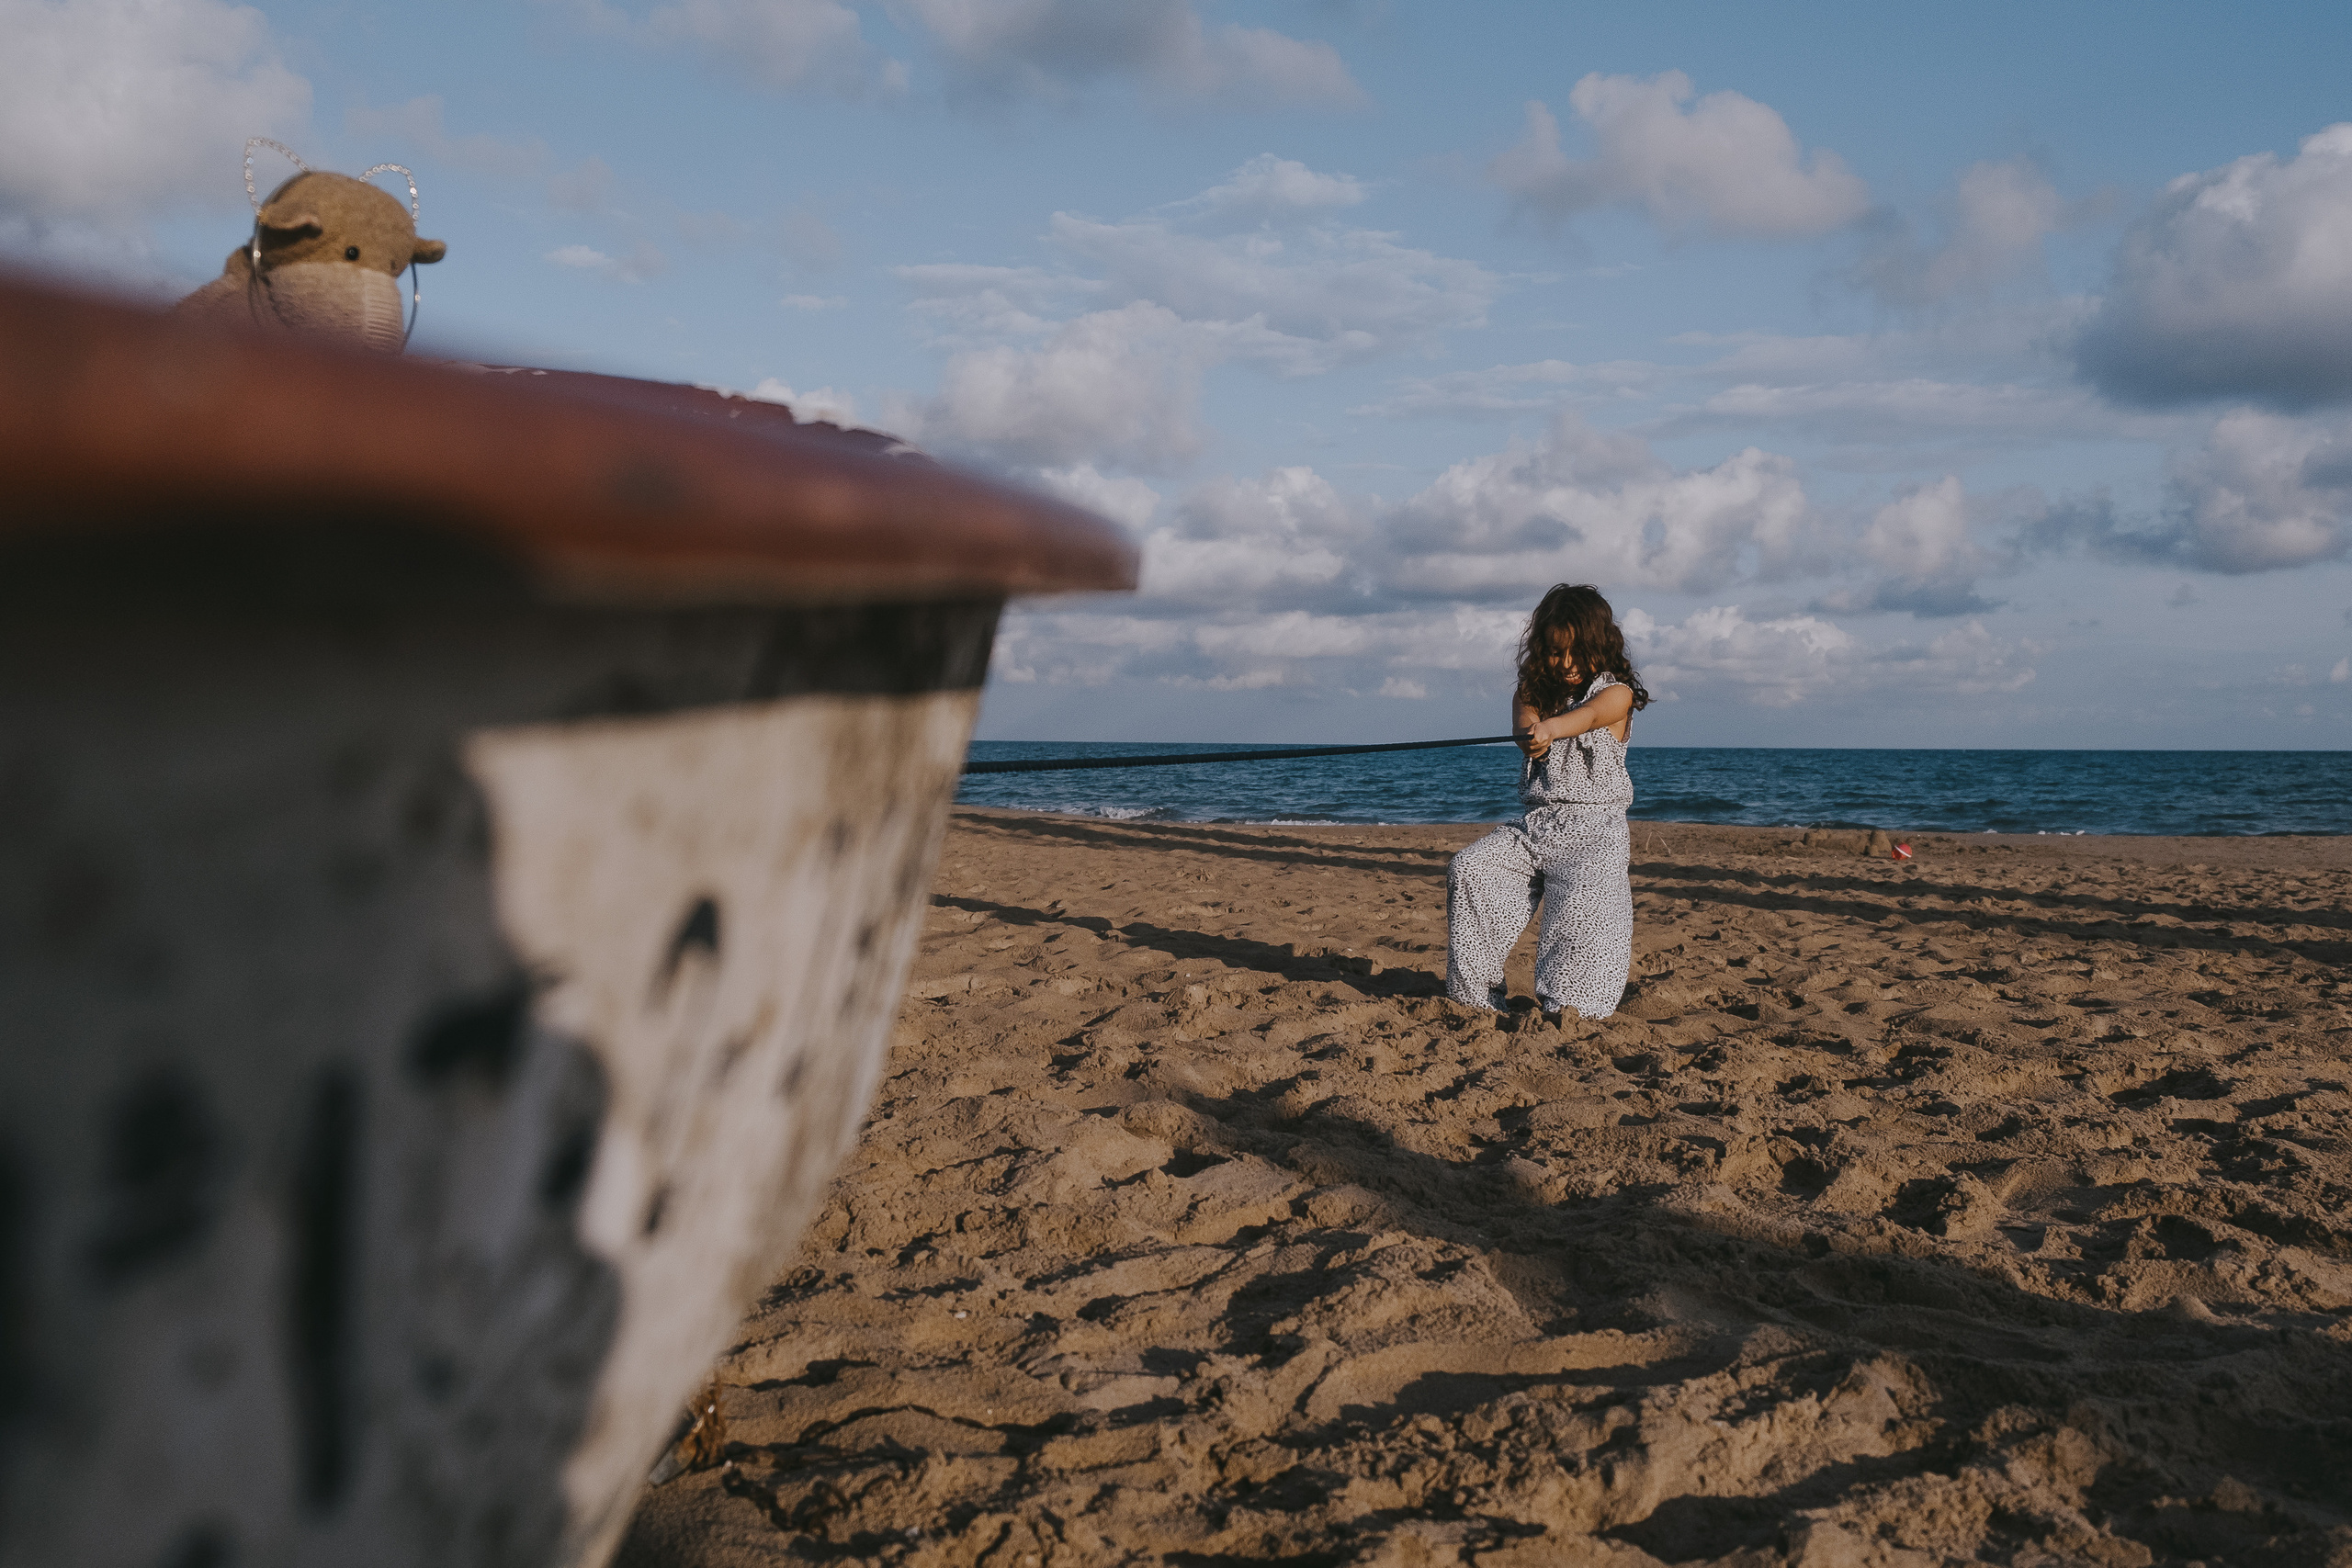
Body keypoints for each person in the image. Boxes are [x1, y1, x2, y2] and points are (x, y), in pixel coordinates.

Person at [1445, 583, 1649, 1021]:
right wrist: (1531, 732)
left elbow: (1590, 715)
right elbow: (1525, 720)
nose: (1568, 663)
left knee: (1581, 908)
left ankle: (1570, 1010)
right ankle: (1476, 997)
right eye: (1557, 653)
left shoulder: (1616, 693)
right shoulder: (1532, 693)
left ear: (1601, 647)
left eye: (1579, 652)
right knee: (1471, 869)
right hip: (1537, 825)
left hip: (1595, 833)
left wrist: (1553, 728)